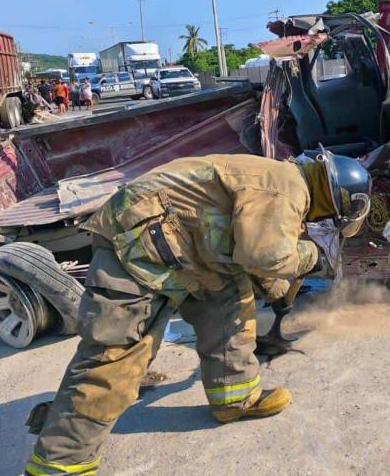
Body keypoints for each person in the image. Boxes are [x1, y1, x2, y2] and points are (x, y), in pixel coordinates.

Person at [24, 149, 372, 476]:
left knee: (228, 305)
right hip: (137, 247)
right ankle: (59, 464)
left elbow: (254, 253)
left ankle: (234, 397)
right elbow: (265, 256)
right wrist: (312, 257)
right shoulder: (286, 188)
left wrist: (280, 296)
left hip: (182, 246)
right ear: (337, 202)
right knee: (116, 358)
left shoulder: (283, 182)